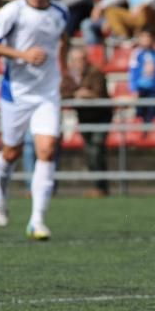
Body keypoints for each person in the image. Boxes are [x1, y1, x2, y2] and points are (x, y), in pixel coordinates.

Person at [0, 0, 69, 240]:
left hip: (47, 92)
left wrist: (64, 71)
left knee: (47, 149)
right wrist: (23, 55)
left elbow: (62, 39)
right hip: (16, 92)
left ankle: (37, 220)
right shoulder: (13, 11)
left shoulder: (60, 12)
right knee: (11, 153)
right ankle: (1, 193)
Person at [60, 44, 112, 197]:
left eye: (81, 59)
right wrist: (77, 94)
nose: (78, 63)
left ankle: (101, 187)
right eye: (75, 60)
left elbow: (100, 93)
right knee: (90, 151)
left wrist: (88, 95)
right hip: (84, 117)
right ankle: (98, 186)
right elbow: (63, 93)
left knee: (96, 148)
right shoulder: (69, 76)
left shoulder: (96, 73)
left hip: (101, 116)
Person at [127, 30, 155, 123]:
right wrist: (134, 89)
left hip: (153, 89)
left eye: (148, 37)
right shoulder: (136, 54)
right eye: (143, 37)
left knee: (153, 114)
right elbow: (133, 73)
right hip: (141, 89)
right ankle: (140, 135)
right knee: (140, 114)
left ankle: (151, 135)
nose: (146, 40)